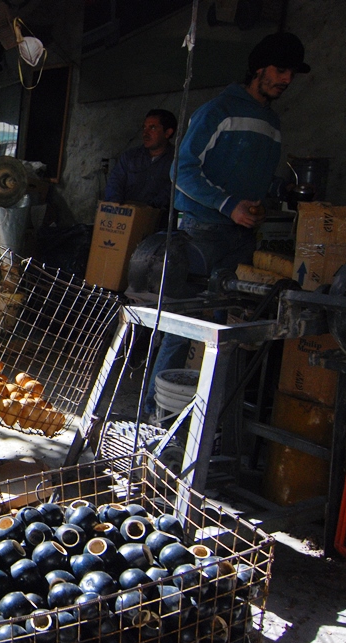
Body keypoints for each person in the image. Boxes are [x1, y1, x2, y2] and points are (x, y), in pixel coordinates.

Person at [144, 33, 310, 418]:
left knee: (223, 331)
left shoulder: (272, 122)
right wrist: (228, 205)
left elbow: (251, 179)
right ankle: (156, 414)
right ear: (259, 69)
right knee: (184, 323)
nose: (286, 79)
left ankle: (199, 420)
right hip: (202, 232)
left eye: (291, 74)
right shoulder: (218, 111)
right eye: (280, 70)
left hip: (241, 238)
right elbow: (180, 170)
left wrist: (276, 191)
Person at [104, 109, 177, 210]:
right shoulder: (130, 157)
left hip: (159, 221)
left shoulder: (177, 160)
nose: (145, 133)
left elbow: (171, 192)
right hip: (126, 217)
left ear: (168, 132)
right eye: (144, 127)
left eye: (152, 128)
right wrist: (116, 207)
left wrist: (148, 209)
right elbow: (114, 184)